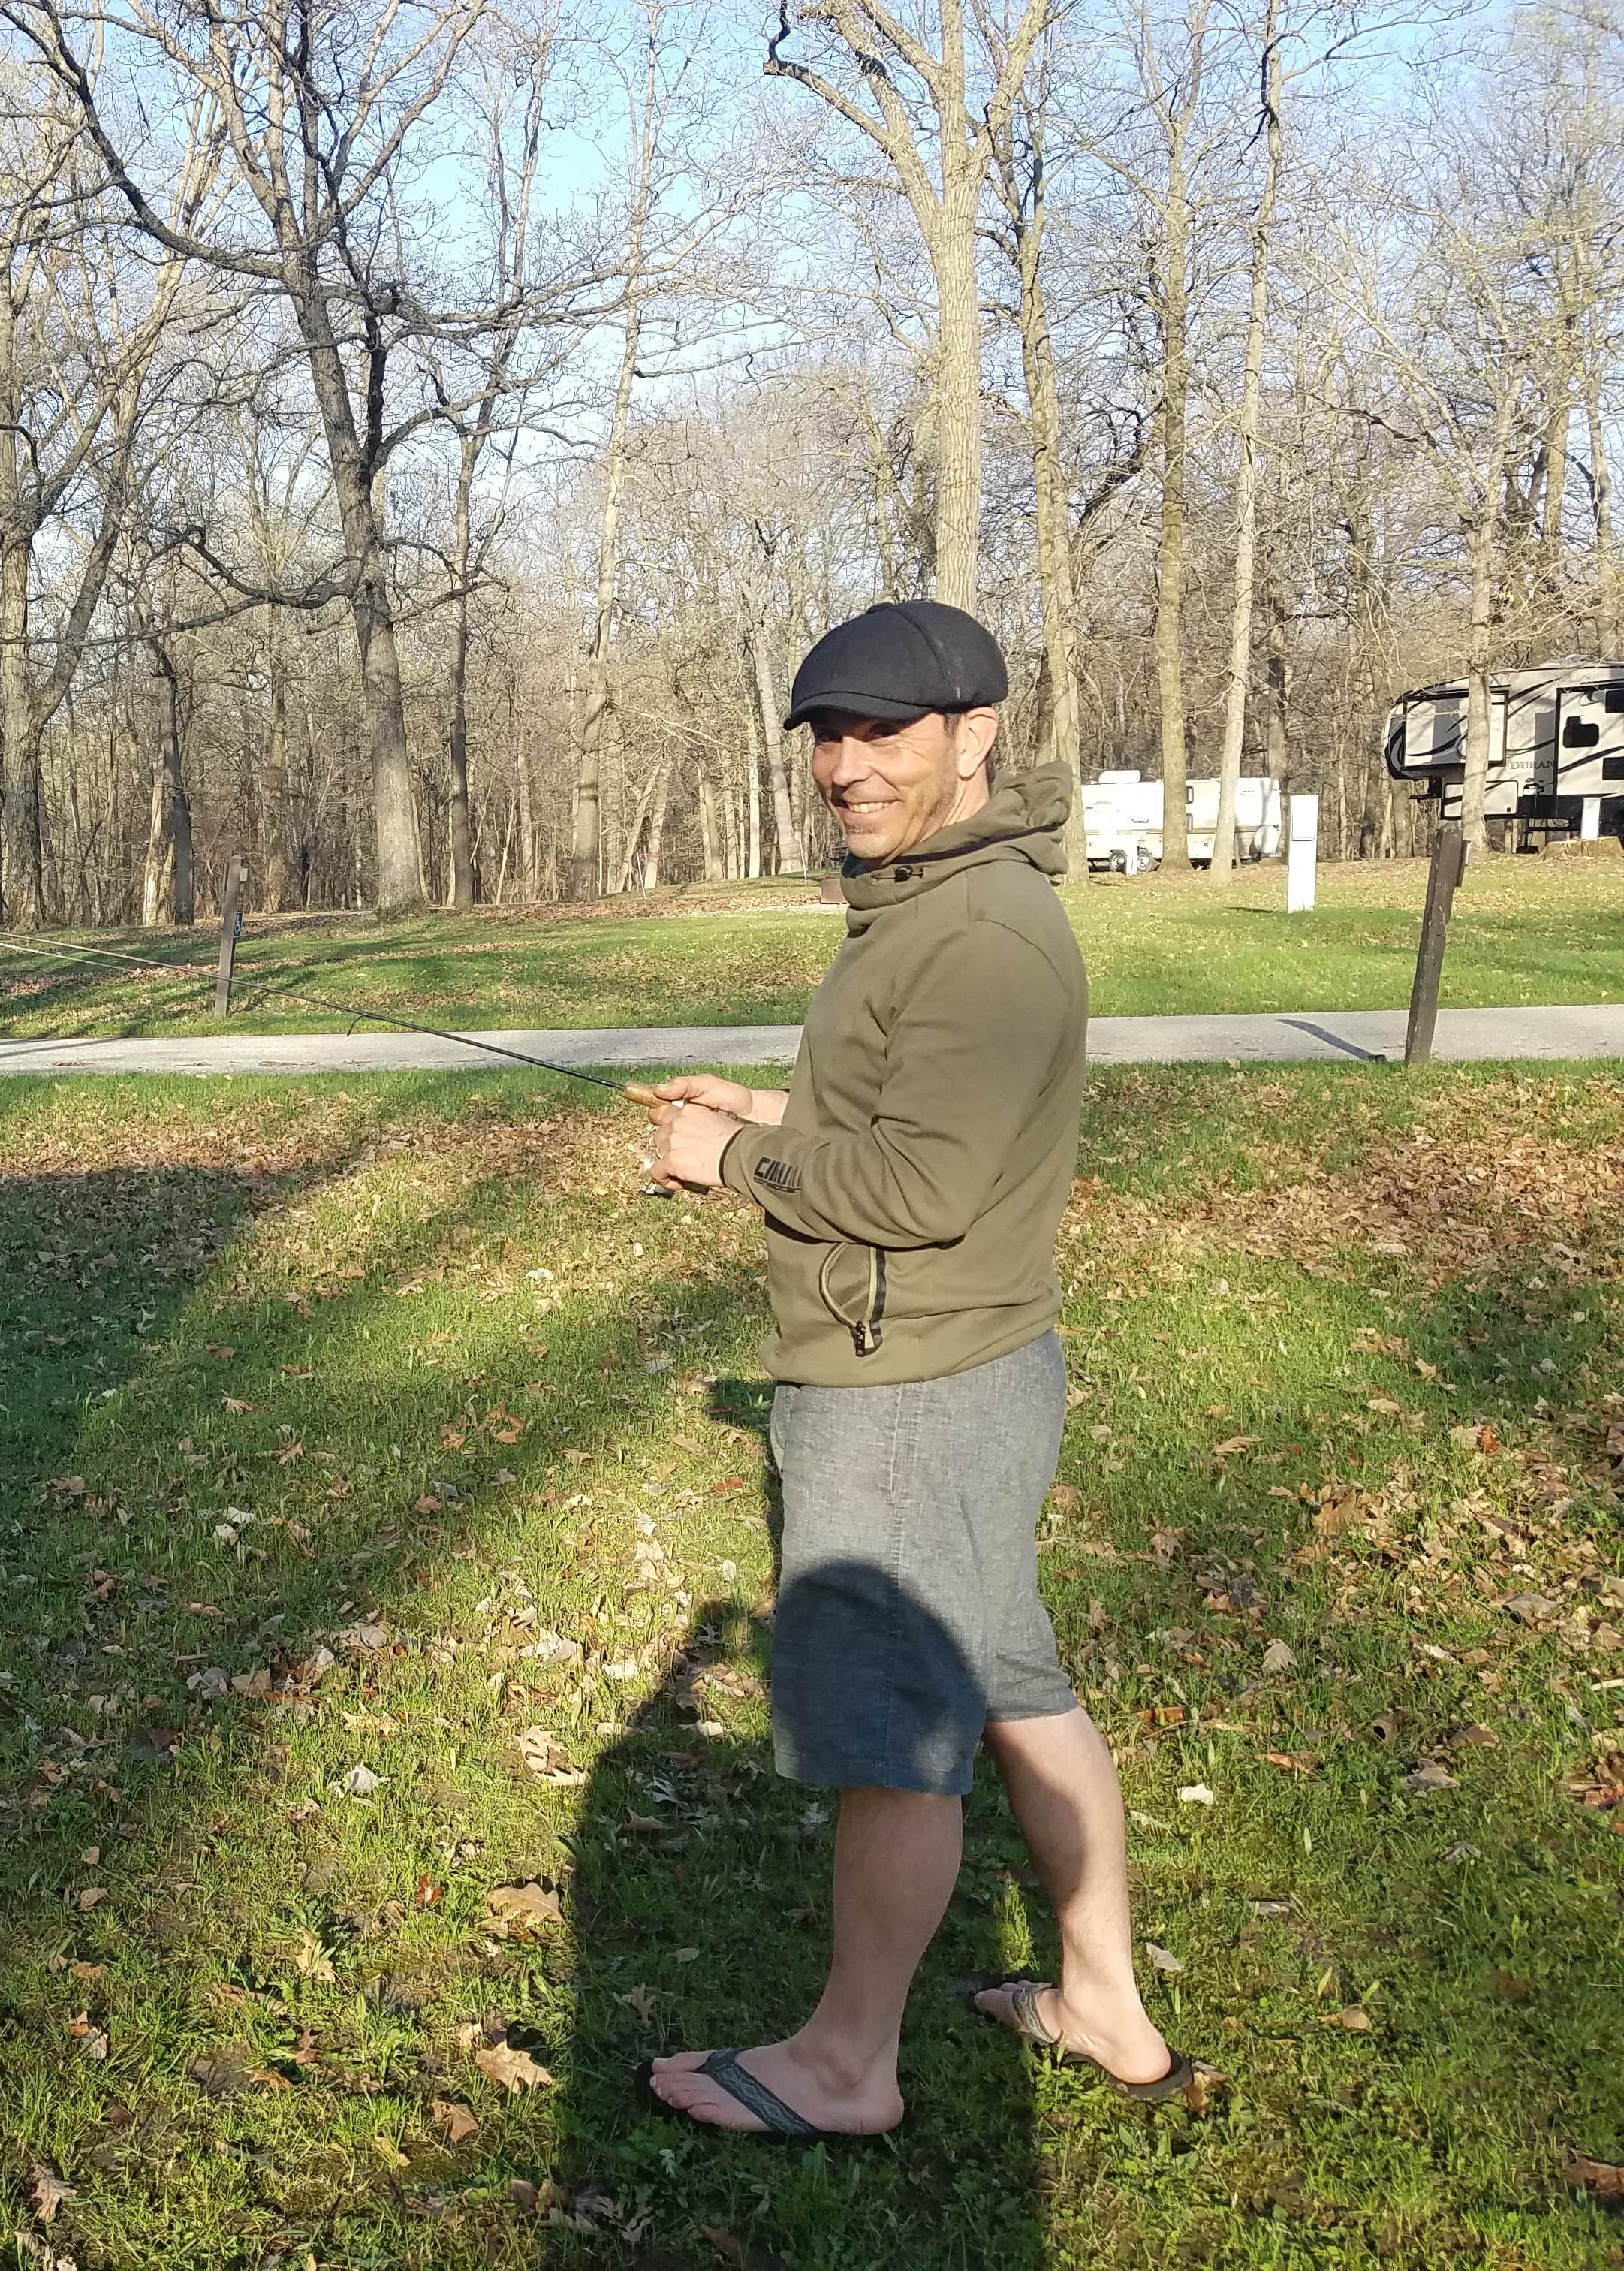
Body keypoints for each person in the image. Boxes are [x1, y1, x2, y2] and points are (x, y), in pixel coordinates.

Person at [634, 599, 1194, 2141]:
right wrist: (770, 1109)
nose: (846, 763)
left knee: (896, 1742)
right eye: (826, 733)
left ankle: (845, 2063)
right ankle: (1102, 2004)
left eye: (884, 729)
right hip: (965, 1372)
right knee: (1013, 1686)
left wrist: (735, 1155)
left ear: (977, 734)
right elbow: (912, 1124)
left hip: (911, 1399)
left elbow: (925, 1191)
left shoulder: (980, 936)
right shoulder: (942, 903)